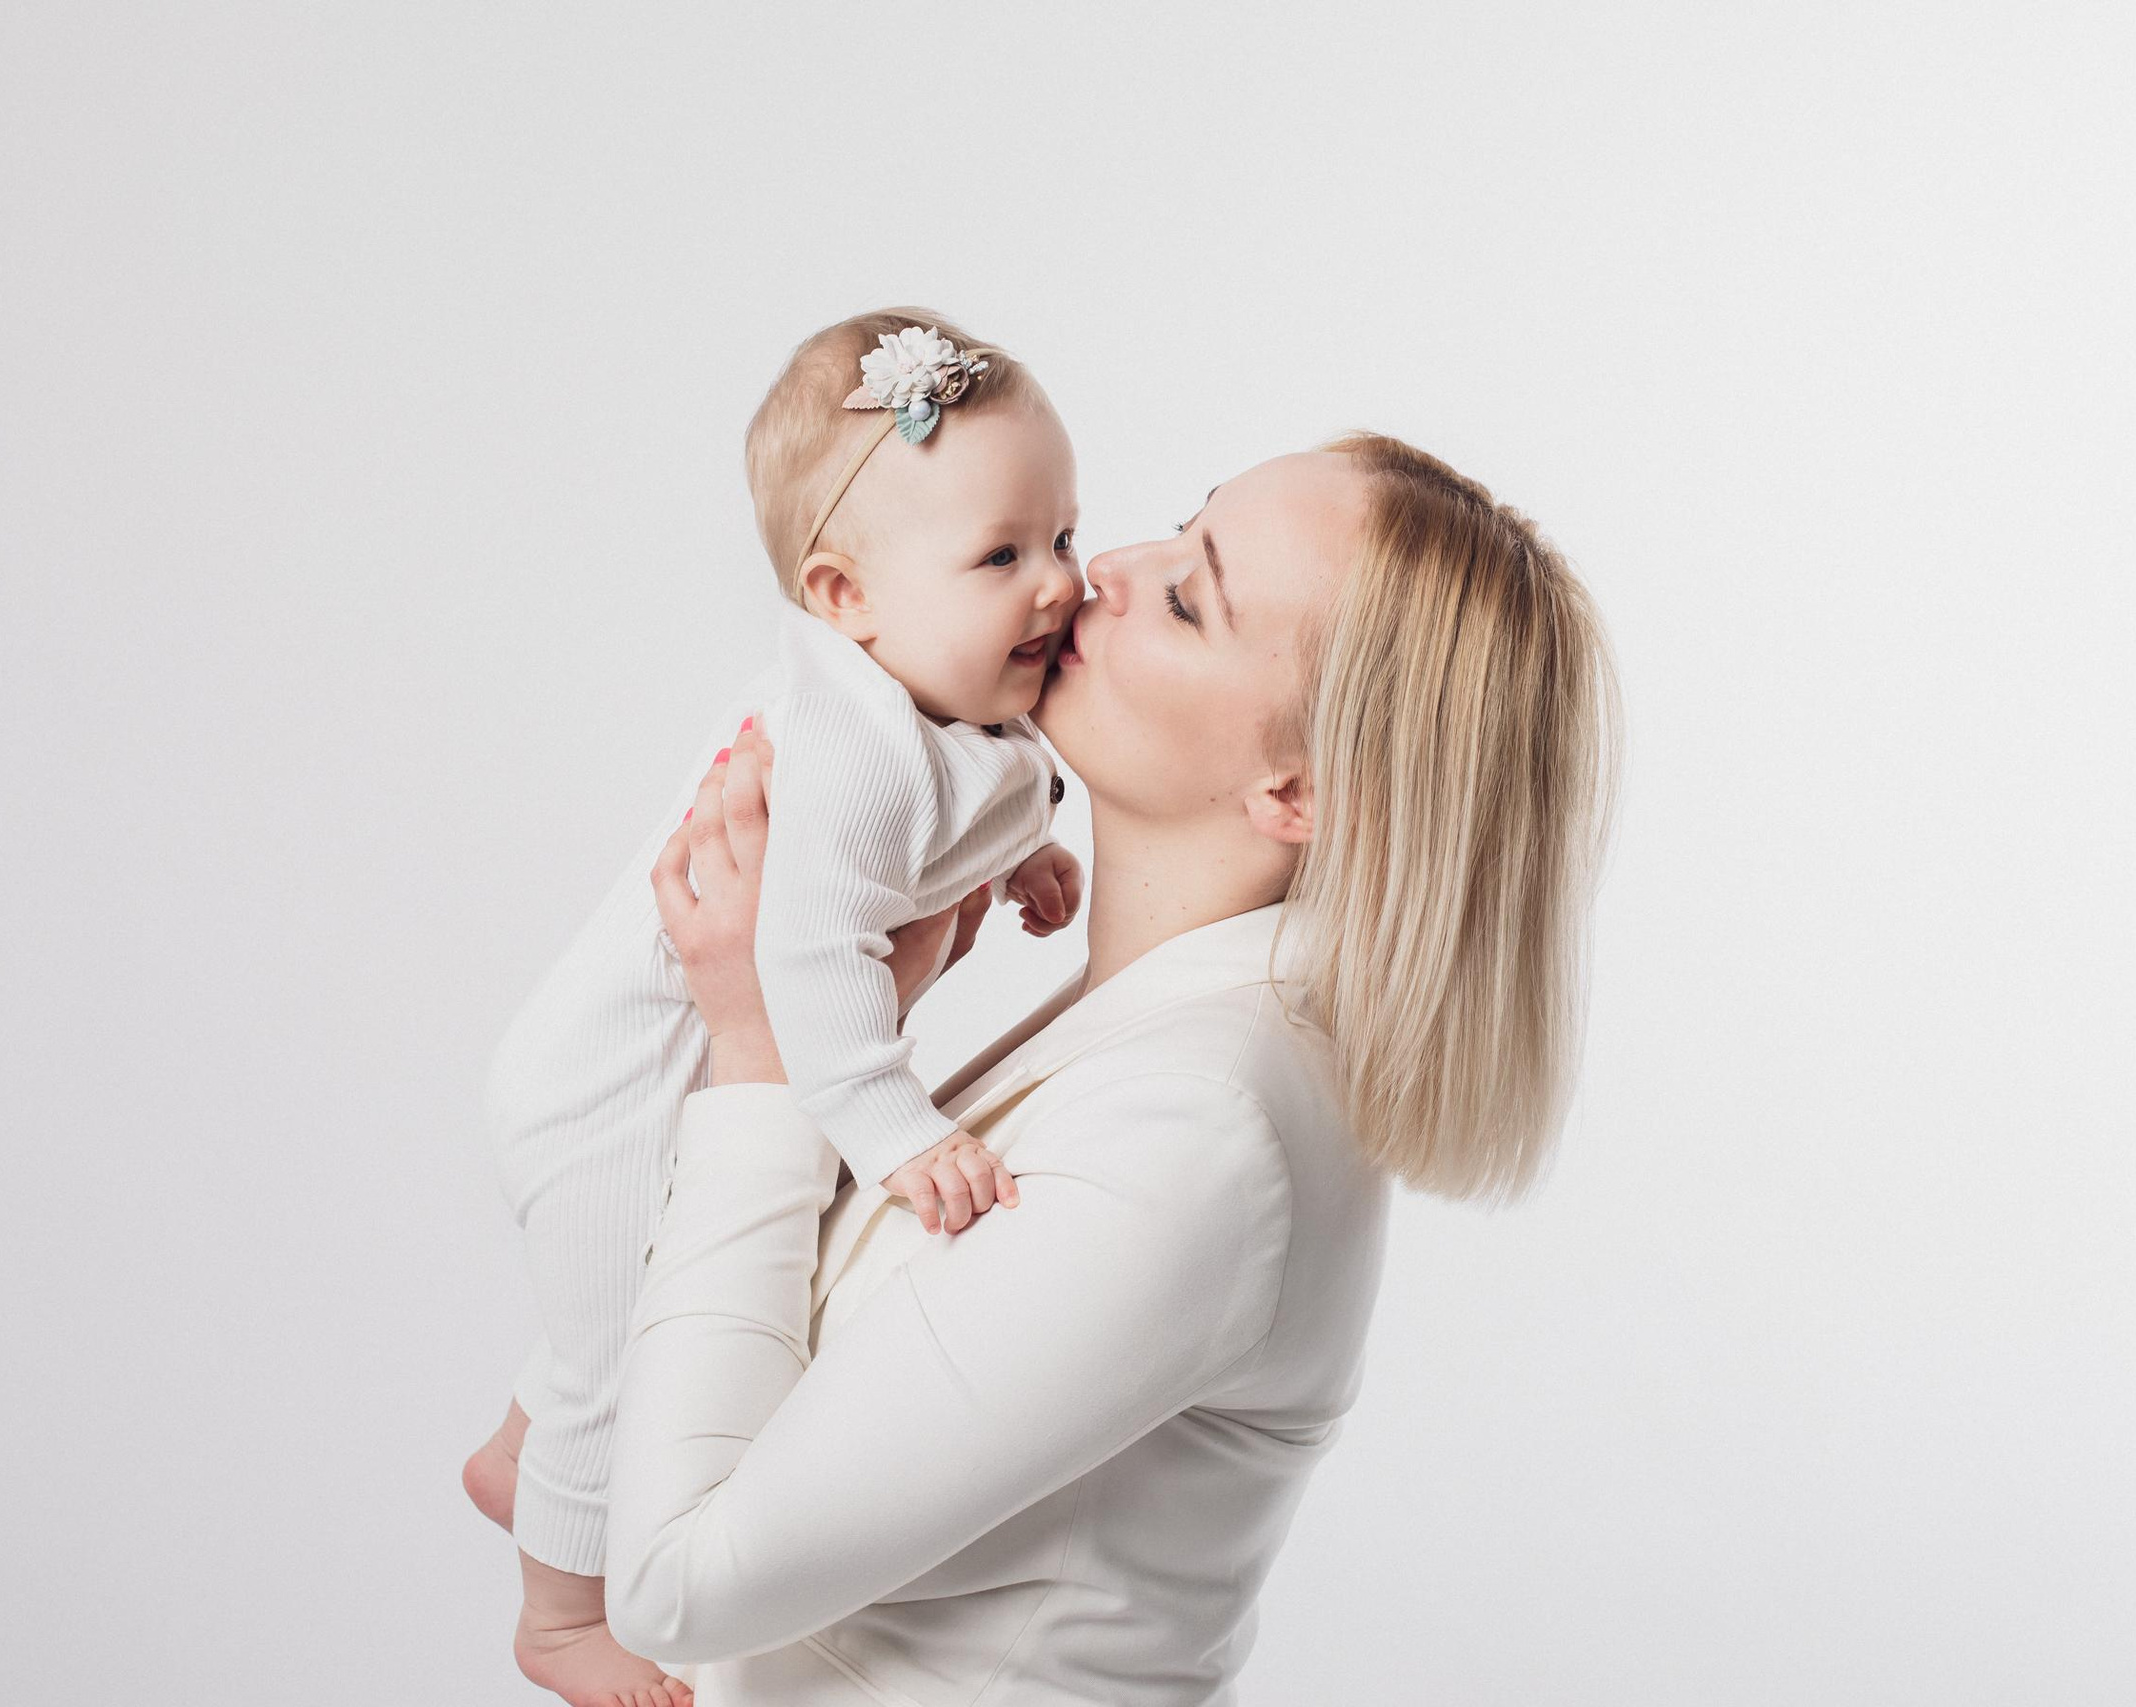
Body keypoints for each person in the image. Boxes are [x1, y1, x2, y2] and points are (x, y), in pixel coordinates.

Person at [610, 432, 1623, 1702]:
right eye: (1179, 525)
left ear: (1295, 790)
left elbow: (672, 1581)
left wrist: (759, 1060)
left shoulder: (1199, 1132)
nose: (1107, 571)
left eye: (1190, 596)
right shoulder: (1154, 1038)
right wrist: (847, 1048)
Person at [463, 309, 1089, 1707]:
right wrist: (895, 1128)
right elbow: (805, 966)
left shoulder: (952, 698)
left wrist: (1028, 851)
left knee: (604, 1302)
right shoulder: (853, 748)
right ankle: (561, 1613)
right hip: (607, 1082)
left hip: (666, 1070)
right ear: (846, 597)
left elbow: (983, 792)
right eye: (1002, 554)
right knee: (616, 1333)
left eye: (1062, 535)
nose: (1057, 584)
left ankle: (520, 1447)